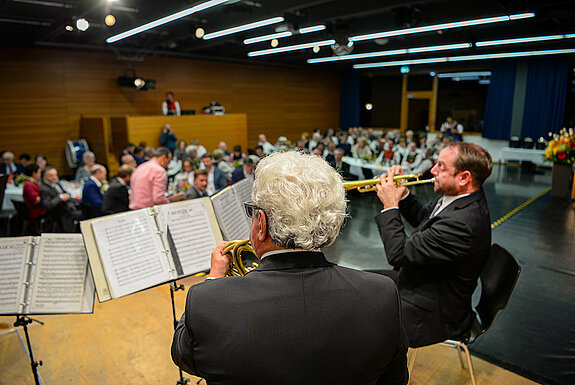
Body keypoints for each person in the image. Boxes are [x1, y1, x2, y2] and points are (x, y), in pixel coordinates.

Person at [172, 151, 409, 385]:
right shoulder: (382, 294)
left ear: (261, 225)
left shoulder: (208, 301)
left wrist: (215, 278)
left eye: (253, 213)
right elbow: (395, 379)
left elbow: (183, 355)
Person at [373, 142, 493, 348]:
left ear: (464, 178)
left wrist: (390, 205)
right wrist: (403, 196)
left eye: (441, 166)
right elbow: (422, 217)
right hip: (424, 282)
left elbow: (399, 254)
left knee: (356, 311)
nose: (432, 170)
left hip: (433, 312)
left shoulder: (463, 223)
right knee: (354, 285)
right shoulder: (457, 197)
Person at [40, 166, 82, 232]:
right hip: (59, 213)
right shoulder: (44, 189)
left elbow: (65, 193)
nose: (55, 177)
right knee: (85, 214)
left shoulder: (56, 183)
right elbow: (47, 206)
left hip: (68, 207)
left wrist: (67, 196)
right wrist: (60, 197)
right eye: (51, 175)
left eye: (56, 175)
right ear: (45, 177)